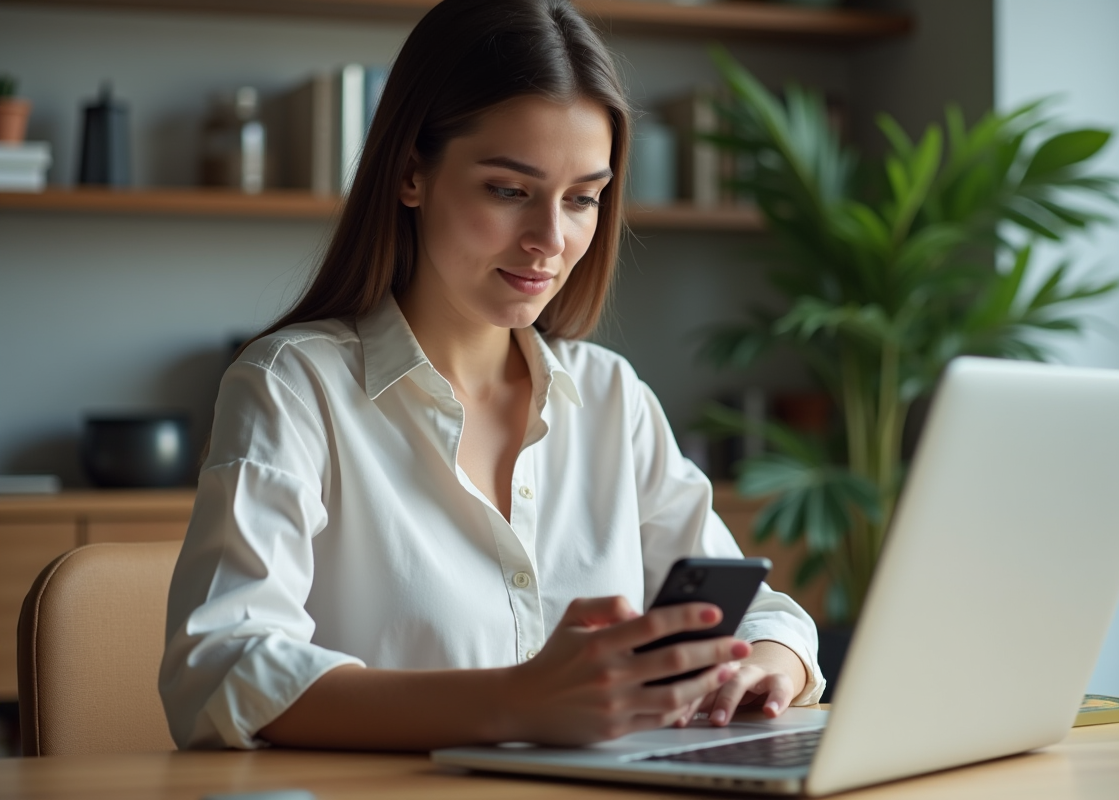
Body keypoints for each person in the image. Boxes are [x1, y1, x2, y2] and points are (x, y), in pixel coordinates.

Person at [159, 0, 824, 752]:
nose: (550, 239)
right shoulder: (292, 387)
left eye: (582, 199)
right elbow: (222, 669)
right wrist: (516, 703)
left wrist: (768, 662)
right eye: (509, 191)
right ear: (411, 172)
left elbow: (761, 610)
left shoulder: (610, 397)